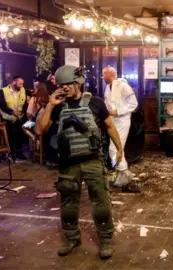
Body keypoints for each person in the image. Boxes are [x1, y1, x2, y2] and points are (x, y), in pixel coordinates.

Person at [35, 65, 124, 260]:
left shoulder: (96, 103)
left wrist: (119, 148)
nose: (64, 88)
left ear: (78, 83)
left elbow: (109, 126)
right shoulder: (56, 107)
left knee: (101, 203)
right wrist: (50, 105)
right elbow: (40, 130)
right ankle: (72, 238)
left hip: (92, 160)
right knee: (68, 205)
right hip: (68, 164)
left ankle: (105, 239)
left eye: (68, 84)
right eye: (60, 84)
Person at [102, 66, 140, 193]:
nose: (102, 77)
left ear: (110, 74)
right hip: (113, 121)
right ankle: (121, 175)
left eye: (104, 74)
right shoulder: (108, 87)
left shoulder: (123, 86)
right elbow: (107, 103)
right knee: (116, 149)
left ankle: (125, 174)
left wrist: (118, 112)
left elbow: (134, 104)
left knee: (115, 148)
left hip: (122, 121)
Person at [0, 76, 28, 160]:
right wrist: (12, 112)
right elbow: (2, 105)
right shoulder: (2, 91)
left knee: (19, 135)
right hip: (7, 117)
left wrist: (23, 112)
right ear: (14, 82)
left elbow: (24, 103)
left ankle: (19, 153)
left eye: (22, 84)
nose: (22, 85)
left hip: (18, 117)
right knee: (10, 135)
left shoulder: (22, 90)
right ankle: (10, 154)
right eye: (20, 83)